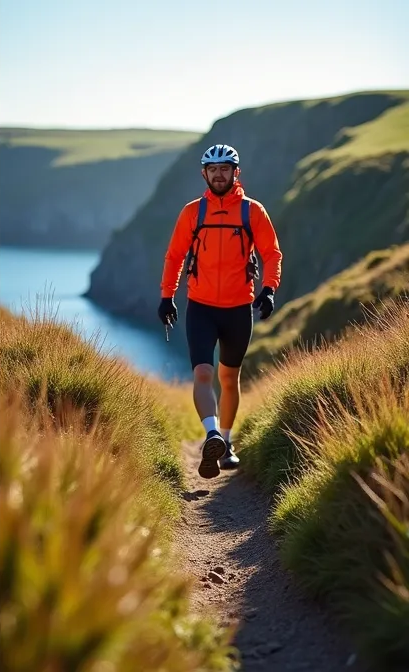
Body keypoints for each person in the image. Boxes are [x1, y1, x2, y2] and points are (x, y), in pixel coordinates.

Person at [158, 143, 282, 479]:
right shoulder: (192, 212)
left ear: (235, 172)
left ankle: (225, 444)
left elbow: (271, 254)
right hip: (200, 307)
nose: (218, 174)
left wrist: (269, 289)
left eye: (224, 168)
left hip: (238, 309)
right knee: (202, 374)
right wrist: (167, 296)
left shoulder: (252, 212)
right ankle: (212, 433)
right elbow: (175, 256)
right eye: (212, 169)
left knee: (229, 378)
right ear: (204, 174)